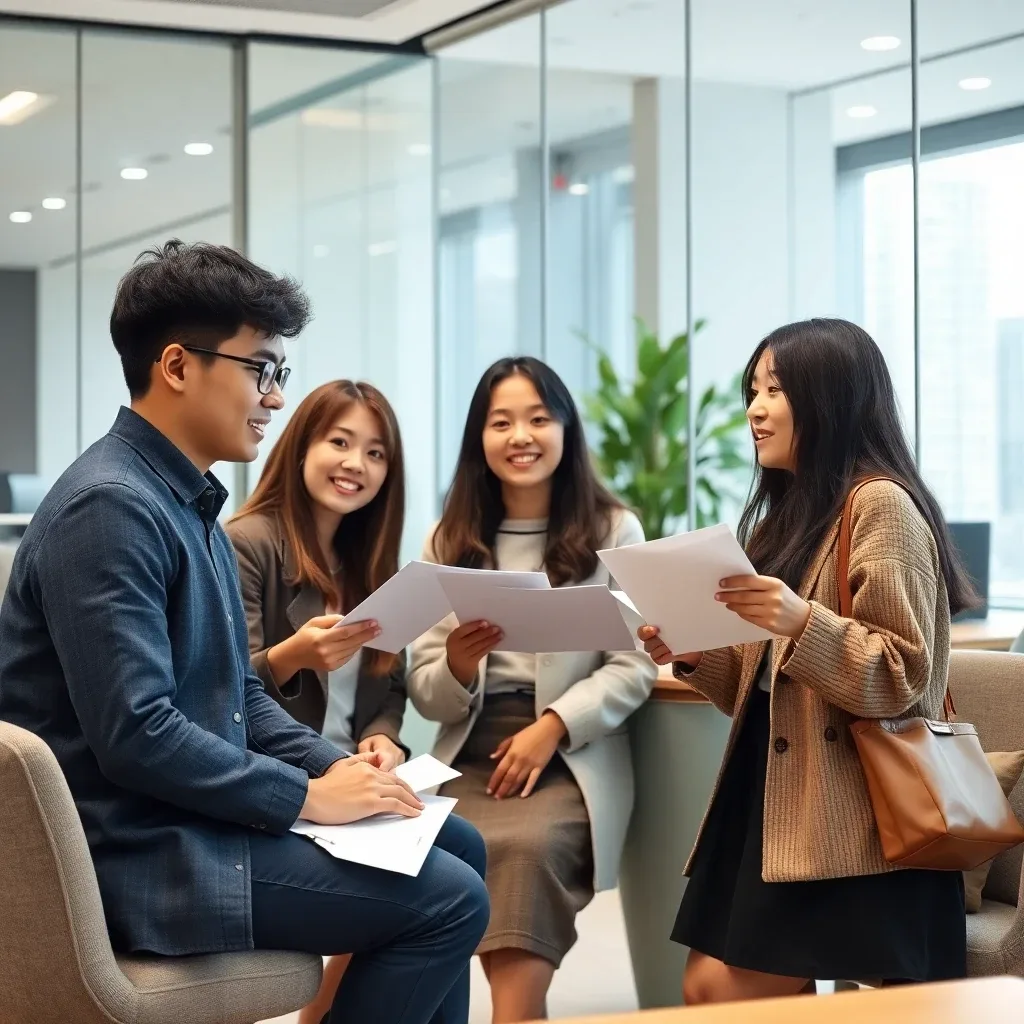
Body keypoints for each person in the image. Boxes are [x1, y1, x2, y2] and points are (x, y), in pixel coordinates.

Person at [0, 239, 488, 1024]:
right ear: (177, 366)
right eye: (261, 369)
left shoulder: (183, 503)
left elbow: (239, 700)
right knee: (449, 900)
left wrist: (341, 772)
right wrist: (307, 797)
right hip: (137, 850)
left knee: (458, 844)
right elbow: (137, 734)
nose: (276, 397)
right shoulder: (110, 509)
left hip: (183, 820)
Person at [639, 318, 973, 1004]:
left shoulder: (881, 505)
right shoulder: (787, 515)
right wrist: (698, 655)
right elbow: (765, 684)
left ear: (832, 398)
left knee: (720, 992)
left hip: (858, 817)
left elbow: (904, 676)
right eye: (752, 391)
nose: (755, 410)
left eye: (776, 390)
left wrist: (799, 619)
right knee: (709, 988)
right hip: (779, 795)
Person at [408, 356, 657, 1024]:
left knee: (528, 850)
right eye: (501, 422)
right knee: (395, 859)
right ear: (479, 438)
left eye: (538, 418)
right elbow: (426, 690)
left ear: (566, 429)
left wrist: (553, 726)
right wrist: (458, 665)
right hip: (467, 756)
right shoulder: (448, 539)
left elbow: (634, 665)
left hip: (568, 759)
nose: (520, 436)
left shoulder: (615, 531)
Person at [227, 379, 410, 1024]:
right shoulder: (247, 542)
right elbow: (224, 690)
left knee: (462, 856)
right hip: (284, 783)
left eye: (376, 453)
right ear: (302, 445)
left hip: (352, 773)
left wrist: (384, 735)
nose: (356, 464)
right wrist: (293, 656)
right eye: (340, 442)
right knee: (447, 892)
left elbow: (389, 686)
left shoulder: (372, 562)